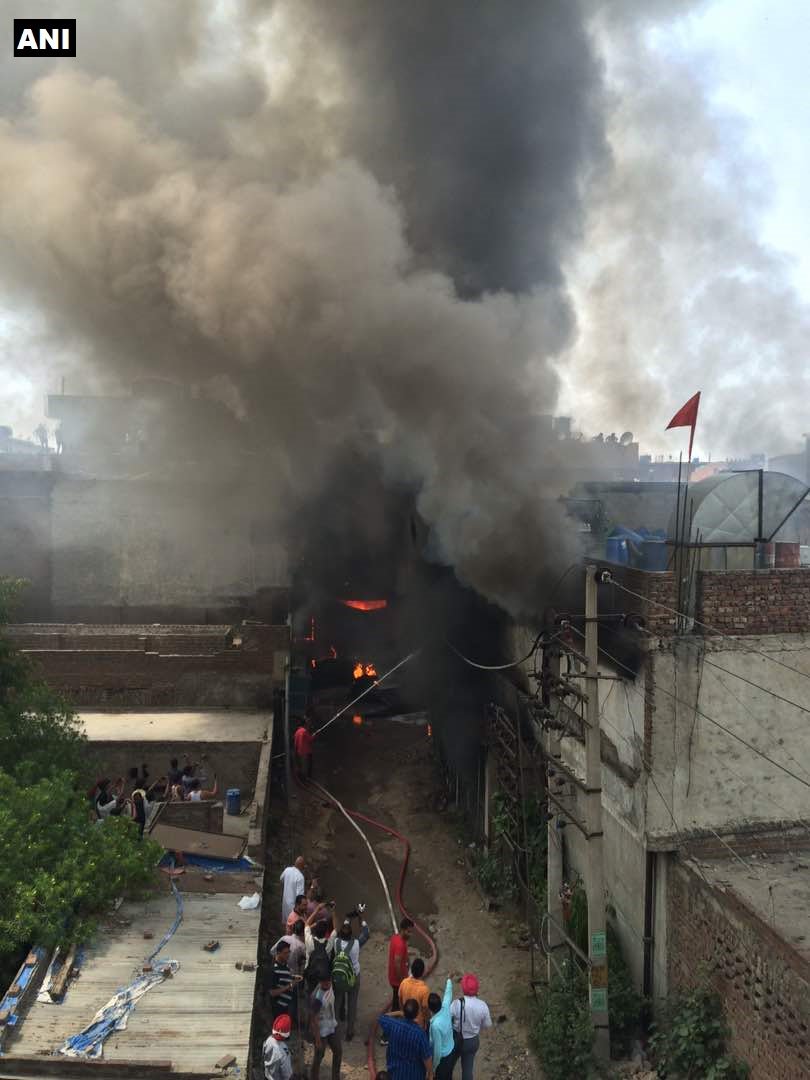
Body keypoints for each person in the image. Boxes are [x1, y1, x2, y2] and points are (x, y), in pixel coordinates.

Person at [327, 913, 370, 1041]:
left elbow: (343, 931)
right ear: (351, 936)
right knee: (352, 1003)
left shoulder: (336, 942)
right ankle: (350, 1031)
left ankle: (334, 1029)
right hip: (353, 977)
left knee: (337, 1001)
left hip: (338, 976)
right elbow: (367, 933)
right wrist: (361, 918)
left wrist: (347, 919)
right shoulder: (356, 944)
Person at [447, 974, 491, 1080]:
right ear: (477, 989)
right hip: (472, 1041)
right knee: (467, 1069)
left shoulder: (456, 1004)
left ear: (463, 988)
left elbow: (448, 1017)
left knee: (449, 1064)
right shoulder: (482, 1005)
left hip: (457, 1039)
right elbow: (487, 1024)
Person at [378, 998, 434, 1080]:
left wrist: (399, 1013)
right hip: (414, 1074)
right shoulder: (420, 1034)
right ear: (417, 1014)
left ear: (404, 1011)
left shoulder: (393, 1025)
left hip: (394, 1071)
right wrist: (430, 1074)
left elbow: (381, 1017)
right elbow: (427, 1058)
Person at [309, 973, 342, 1079]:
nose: (328, 984)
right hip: (321, 1030)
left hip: (332, 1026)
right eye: (325, 983)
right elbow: (313, 1019)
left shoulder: (331, 986)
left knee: (338, 1051)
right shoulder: (318, 997)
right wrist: (318, 1039)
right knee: (319, 1055)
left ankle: (335, 1077)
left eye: (329, 982)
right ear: (320, 982)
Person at [268, 941, 302, 1023]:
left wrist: (293, 977)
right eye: (285, 953)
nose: (288, 955)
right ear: (278, 953)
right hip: (279, 1008)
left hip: (287, 1007)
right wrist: (290, 985)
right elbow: (272, 992)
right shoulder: (274, 970)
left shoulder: (284, 965)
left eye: (288, 952)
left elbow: (284, 977)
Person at [428, 977, 455, 1079]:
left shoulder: (435, 1025)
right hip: (451, 1050)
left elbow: (437, 1050)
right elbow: (448, 994)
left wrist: (433, 1068)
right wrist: (448, 980)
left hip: (443, 1059)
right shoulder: (446, 1006)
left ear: (430, 1009)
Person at [388, 917, 414, 1013]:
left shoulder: (395, 938)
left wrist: (408, 961)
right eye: (408, 932)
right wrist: (402, 981)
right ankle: (394, 1016)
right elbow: (397, 964)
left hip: (393, 976)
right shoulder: (400, 945)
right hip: (397, 980)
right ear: (402, 930)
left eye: (411, 932)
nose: (410, 934)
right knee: (397, 1001)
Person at [399, 958, 431, 1030]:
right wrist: (429, 1020)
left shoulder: (404, 983)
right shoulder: (424, 990)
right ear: (423, 972)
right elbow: (425, 1009)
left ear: (411, 970)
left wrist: (403, 1012)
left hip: (406, 1019)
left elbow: (400, 1000)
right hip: (418, 1023)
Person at [263, 1013, 293, 1080]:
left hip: (267, 1076)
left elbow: (264, 1055)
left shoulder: (268, 1040)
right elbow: (287, 1075)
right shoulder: (284, 1053)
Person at [280, 856, 306, 925]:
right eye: (304, 865)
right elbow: (300, 896)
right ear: (301, 865)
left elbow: (281, 879)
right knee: (294, 926)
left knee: (286, 924)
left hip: (285, 904)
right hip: (293, 907)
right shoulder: (300, 877)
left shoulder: (287, 870)